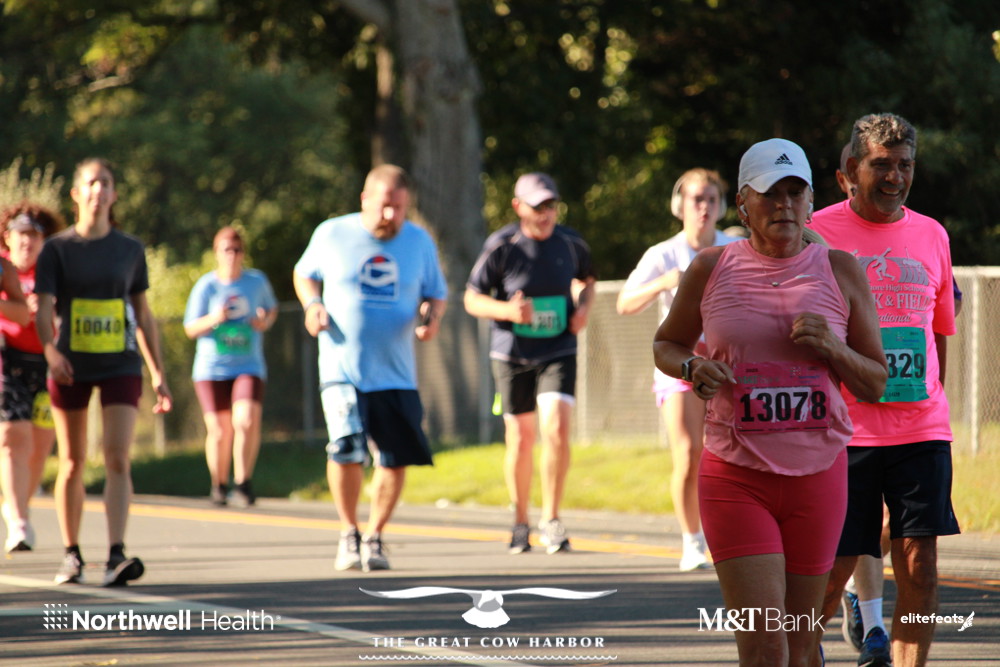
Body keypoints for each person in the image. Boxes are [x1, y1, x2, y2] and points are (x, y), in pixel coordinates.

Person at [653, 138, 887, 666]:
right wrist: (692, 367)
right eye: (769, 193)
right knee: (764, 643)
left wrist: (833, 348)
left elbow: (875, 383)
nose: (784, 204)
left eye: (794, 192)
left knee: (801, 646)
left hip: (818, 476)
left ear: (810, 201)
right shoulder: (710, 267)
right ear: (743, 204)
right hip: (736, 476)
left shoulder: (841, 270)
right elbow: (666, 344)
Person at [811, 114, 960, 667]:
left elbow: (939, 331)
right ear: (850, 171)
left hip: (920, 427)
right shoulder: (816, 233)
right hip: (843, 431)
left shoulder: (932, 234)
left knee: (920, 568)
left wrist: (931, 399)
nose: (895, 177)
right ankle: (800, 650)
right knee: (833, 570)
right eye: (881, 165)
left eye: (905, 165)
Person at [293, 164, 447, 572]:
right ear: (364, 200)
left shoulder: (419, 241)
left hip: (396, 371)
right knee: (346, 448)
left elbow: (436, 293)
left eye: (400, 208)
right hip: (342, 366)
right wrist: (313, 304)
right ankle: (349, 532)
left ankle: (374, 535)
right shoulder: (332, 233)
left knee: (394, 458)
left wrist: (431, 318)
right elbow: (304, 274)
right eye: (384, 207)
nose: (391, 216)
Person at [35, 158, 173, 586]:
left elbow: (143, 314)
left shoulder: (130, 249)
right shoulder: (56, 249)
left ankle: (116, 554)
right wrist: (50, 352)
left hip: (120, 363)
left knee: (117, 457)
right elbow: (43, 310)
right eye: (91, 183)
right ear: (76, 194)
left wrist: (158, 372)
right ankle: (72, 554)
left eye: (106, 183)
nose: (98, 190)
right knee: (73, 461)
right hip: (70, 365)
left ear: (114, 194)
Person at [464, 172, 596, 555]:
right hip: (512, 352)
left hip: (558, 348)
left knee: (556, 428)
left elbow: (587, 280)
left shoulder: (571, 243)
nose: (545, 213)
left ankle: (551, 519)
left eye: (551, 205)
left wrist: (583, 309)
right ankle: (520, 520)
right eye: (537, 206)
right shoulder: (502, 246)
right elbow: (471, 298)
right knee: (521, 438)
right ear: (518, 207)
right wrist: (508, 311)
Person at [617, 168, 738, 571]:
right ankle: (692, 541)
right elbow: (624, 303)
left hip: (729, 368)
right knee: (688, 453)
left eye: (711, 199)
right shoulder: (663, 254)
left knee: (728, 457)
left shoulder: (734, 247)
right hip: (681, 366)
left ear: (722, 206)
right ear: (679, 205)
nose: (704, 207)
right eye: (696, 199)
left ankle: (728, 536)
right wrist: (663, 283)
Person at [184, 227, 277, 507]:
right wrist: (214, 318)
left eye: (237, 250)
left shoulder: (256, 282)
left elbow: (271, 310)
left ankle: (243, 482)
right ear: (217, 253)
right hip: (212, 368)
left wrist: (264, 321)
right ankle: (219, 484)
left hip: (248, 365)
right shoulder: (206, 286)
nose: (232, 255)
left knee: (245, 420)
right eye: (227, 250)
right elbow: (190, 328)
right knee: (220, 430)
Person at [0, 204, 40, 553]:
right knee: (14, 436)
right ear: (8, 238)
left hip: (46, 361)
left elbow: (22, 312)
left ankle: (17, 507)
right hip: (7, 359)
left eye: (34, 235)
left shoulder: (53, 269)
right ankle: (19, 521)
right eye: (21, 234)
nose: (27, 241)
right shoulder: (4, 265)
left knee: (39, 447)